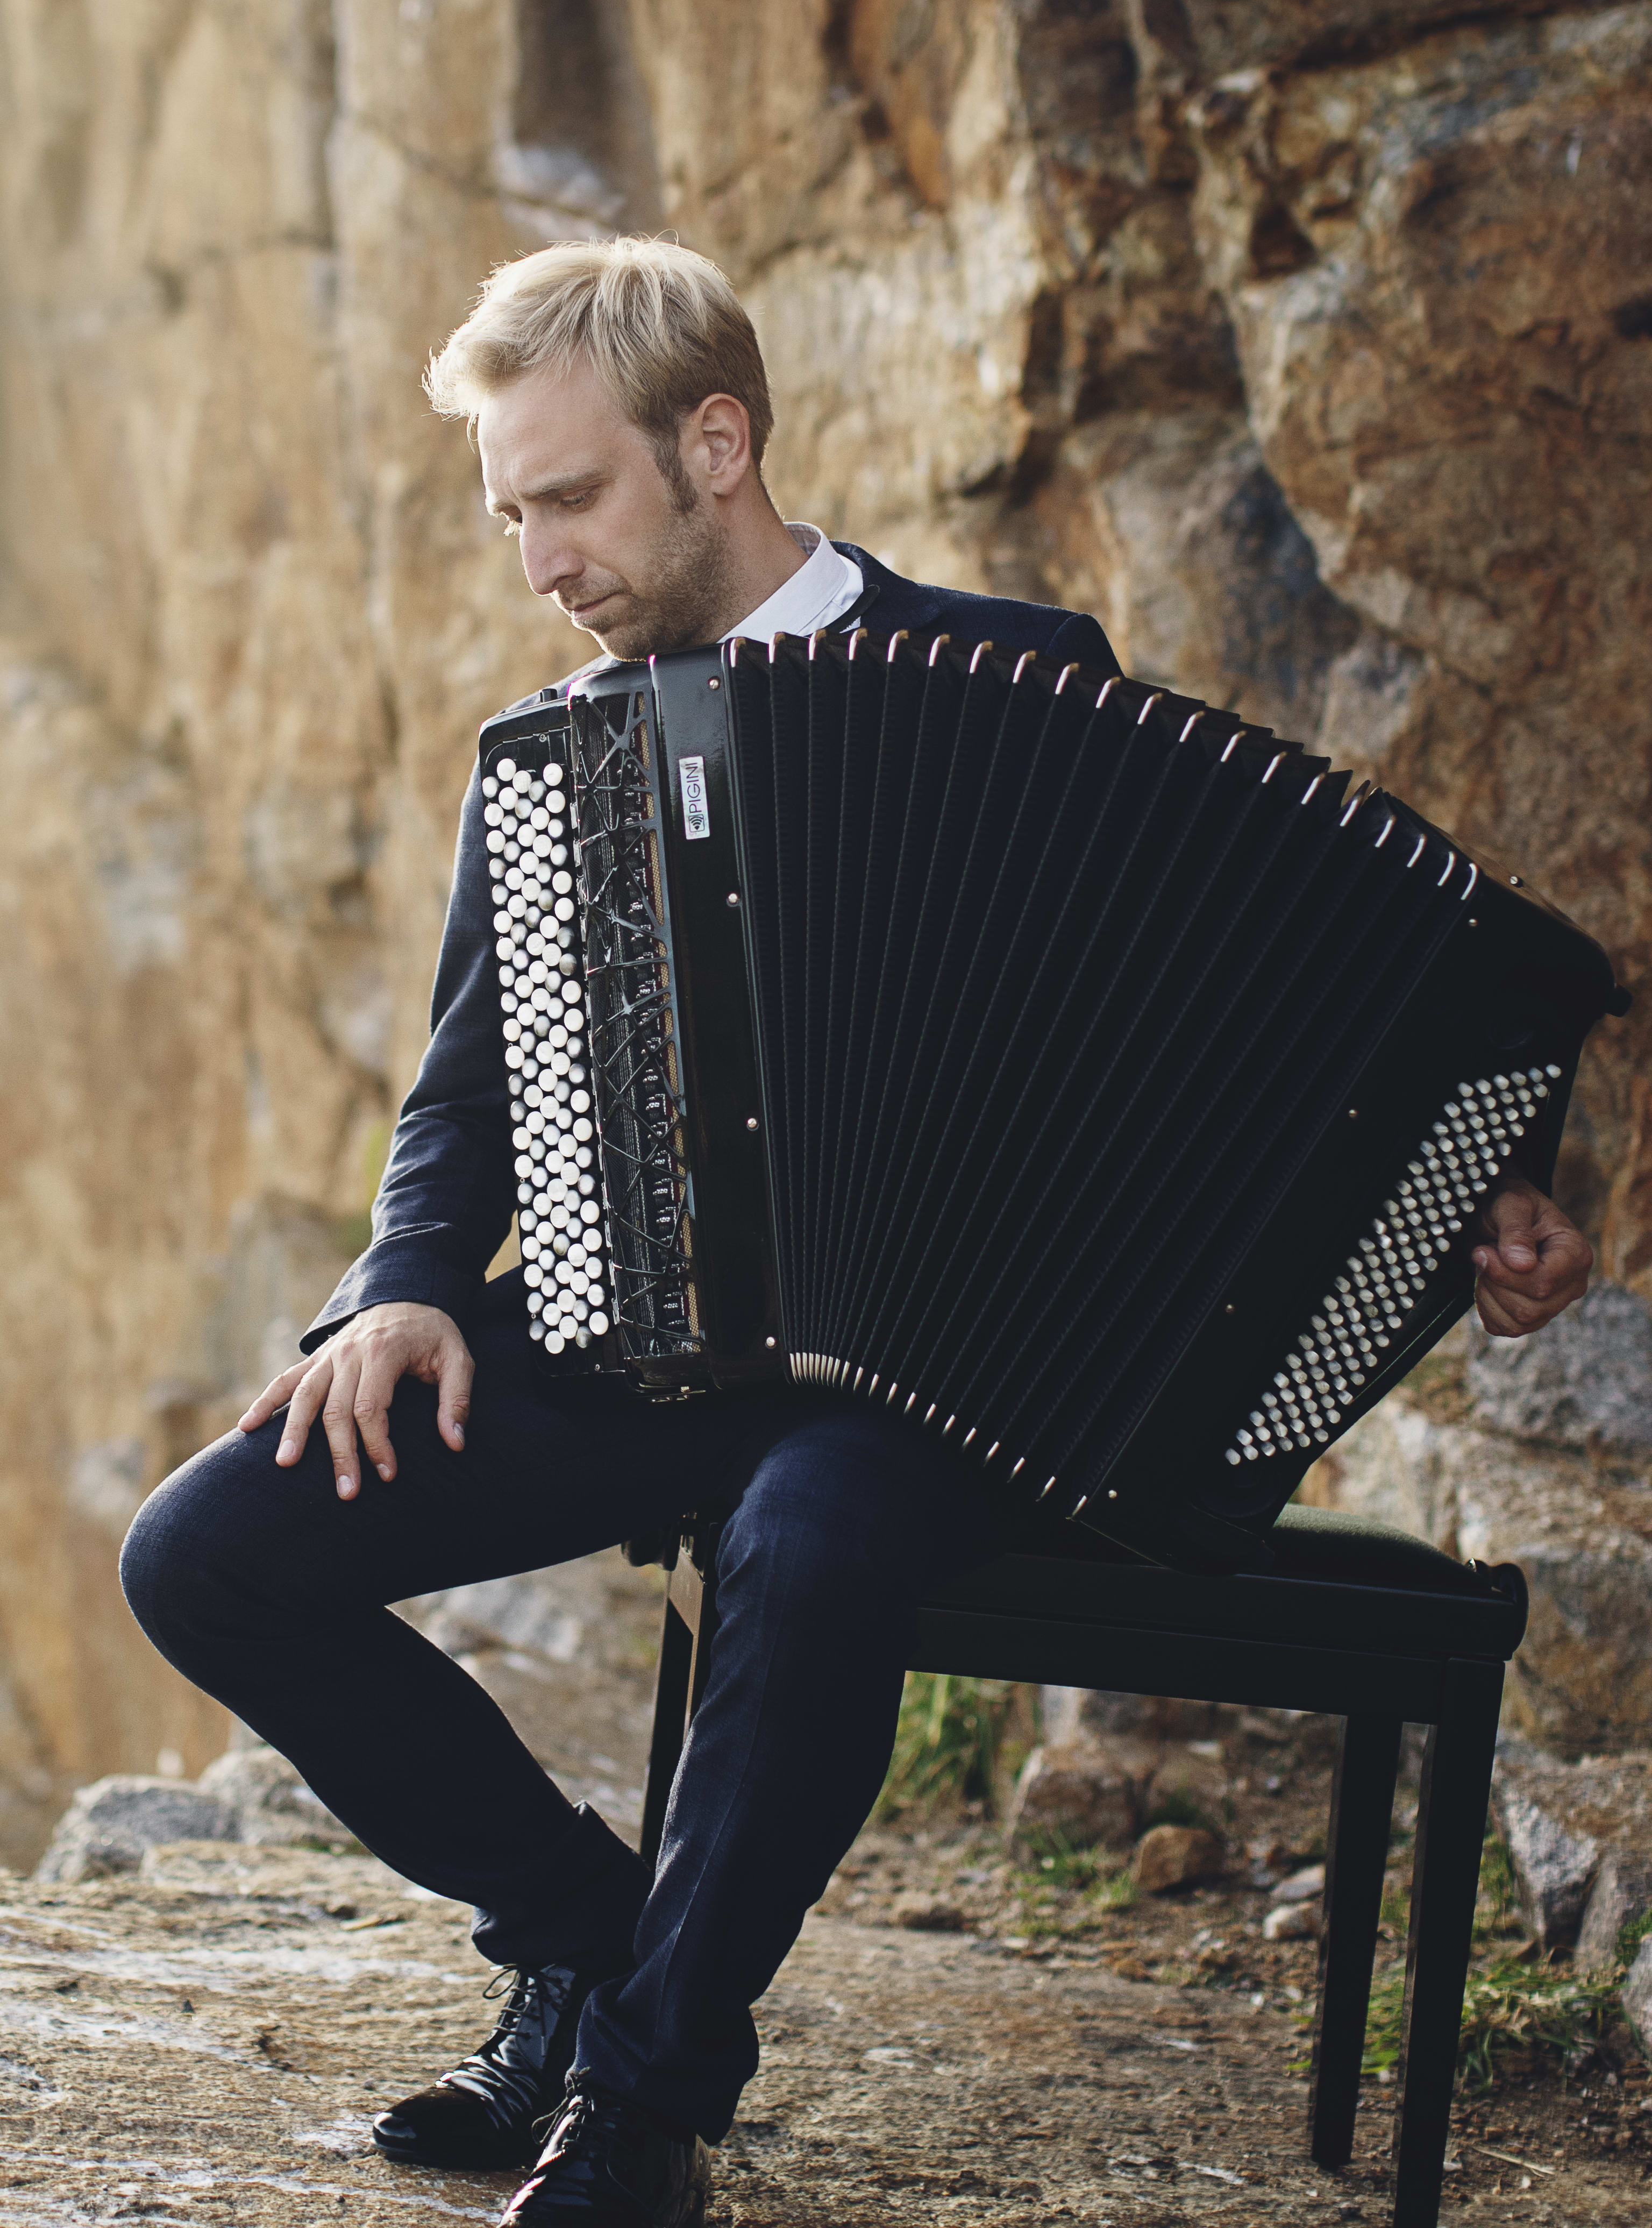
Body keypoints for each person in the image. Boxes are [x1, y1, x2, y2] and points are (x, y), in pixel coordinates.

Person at [120, 237, 1594, 2228]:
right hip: (642, 1346)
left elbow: (1242, 1023)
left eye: (569, 498)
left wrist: (1475, 1205)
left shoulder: (1021, 677)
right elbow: (463, 1101)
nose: (538, 559)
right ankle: (587, 1938)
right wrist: (396, 1290)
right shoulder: (554, 766)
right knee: (211, 1549)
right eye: (509, 513)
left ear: (713, 444)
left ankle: (641, 2111)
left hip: (941, 1380)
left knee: (809, 1535)